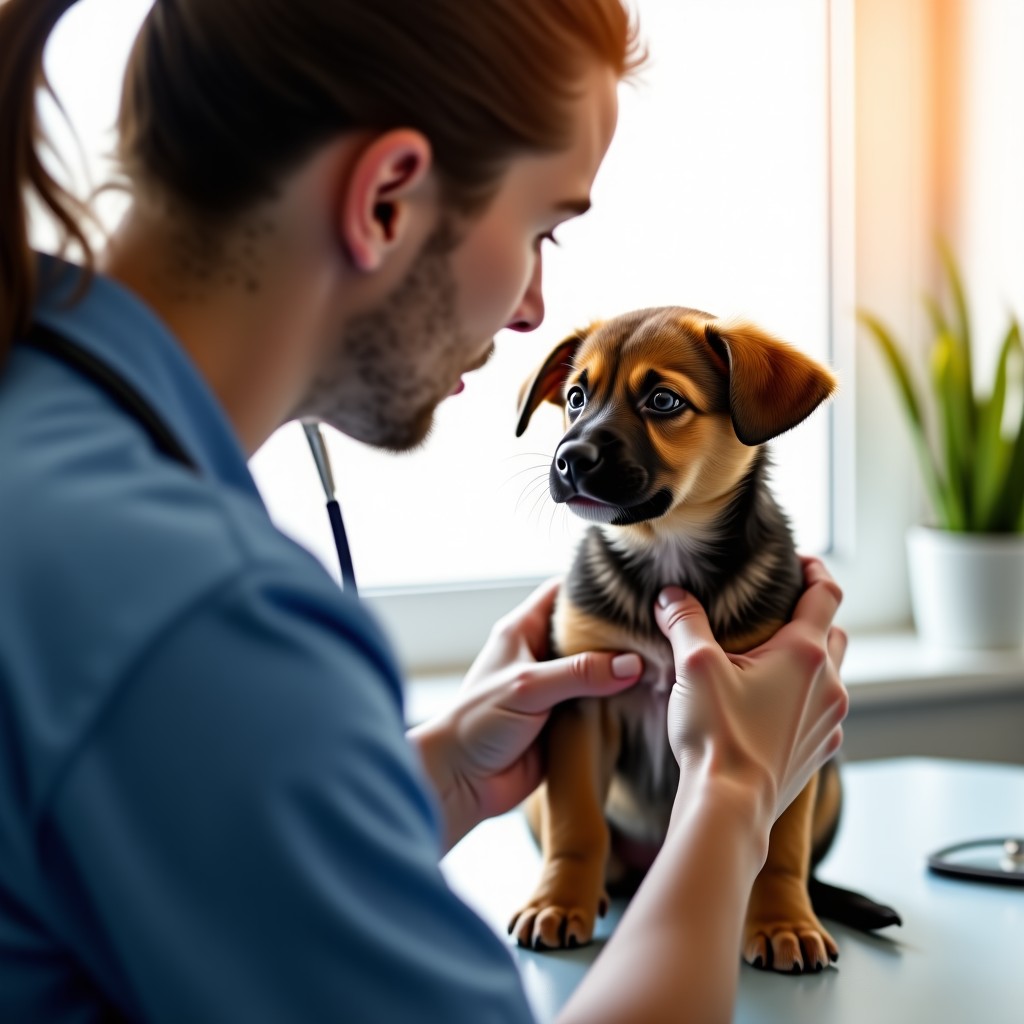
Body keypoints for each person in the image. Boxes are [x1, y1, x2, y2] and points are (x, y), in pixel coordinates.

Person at [0, 1, 849, 1022]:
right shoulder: (201, 613)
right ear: (387, 199)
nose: (533, 309)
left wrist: (419, 777)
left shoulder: (45, 437)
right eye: (541, 229)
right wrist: (732, 796)